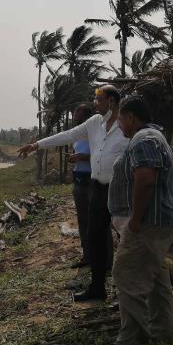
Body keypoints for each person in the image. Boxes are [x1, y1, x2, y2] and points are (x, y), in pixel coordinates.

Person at [18, 85, 129, 301]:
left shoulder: (126, 125)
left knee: (126, 238)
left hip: (120, 191)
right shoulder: (94, 123)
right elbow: (67, 135)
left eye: (99, 99)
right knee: (95, 236)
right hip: (97, 187)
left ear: (112, 102)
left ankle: (126, 293)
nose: (95, 103)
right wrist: (36, 145)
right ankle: (98, 288)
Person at [107, 95, 173, 345]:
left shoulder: (144, 139)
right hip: (156, 220)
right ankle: (162, 336)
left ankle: (133, 343)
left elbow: (146, 180)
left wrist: (136, 221)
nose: (118, 125)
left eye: (120, 119)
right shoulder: (150, 137)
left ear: (131, 117)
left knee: (126, 275)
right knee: (156, 278)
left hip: (149, 222)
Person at [68, 103, 94, 268]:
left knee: (97, 219)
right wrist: (75, 158)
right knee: (82, 219)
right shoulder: (77, 135)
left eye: (77, 111)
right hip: (78, 179)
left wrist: (83, 157)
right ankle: (87, 255)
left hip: (92, 180)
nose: (74, 114)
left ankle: (102, 259)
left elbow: (102, 157)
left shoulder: (95, 133)